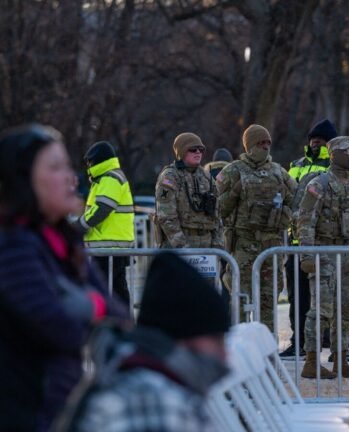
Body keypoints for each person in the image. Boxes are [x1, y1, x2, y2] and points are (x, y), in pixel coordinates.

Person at [0, 124, 128, 431]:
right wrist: (94, 308)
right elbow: (58, 327)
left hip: (60, 406)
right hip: (24, 408)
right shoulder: (13, 245)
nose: (70, 177)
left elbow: (118, 316)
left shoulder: (62, 241)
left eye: (68, 165)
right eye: (55, 167)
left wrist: (88, 304)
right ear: (24, 179)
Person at [57, 252, 231, 432]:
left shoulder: (155, 383)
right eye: (216, 340)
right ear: (181, 338)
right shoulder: (150, 400)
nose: (225, 354)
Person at [297, 136, 349, 379]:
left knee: (344, 310)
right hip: (325, 253)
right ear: (334, 154)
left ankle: (341, 359)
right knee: (321, 309)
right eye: (347, 150)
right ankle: (311, 361)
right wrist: (307, 254)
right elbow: (305, 219)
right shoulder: (319, 184)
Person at [217, 124, 297, 328]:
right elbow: (218, 209)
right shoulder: (232, 171)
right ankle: (239, 350)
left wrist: (284, 216)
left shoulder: (278, 172)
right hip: (242, 244)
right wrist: (234, 192)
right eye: (260, 143)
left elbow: (296, 201)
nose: (265, 147)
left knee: (268, 301)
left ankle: (266, 349)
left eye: (268, 143)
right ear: (249, 145)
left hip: (270, 245)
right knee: (240, 298)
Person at [282, 118, 338, 359]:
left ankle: (336, 342)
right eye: (314, 140)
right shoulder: (295, 165)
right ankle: (300, 341)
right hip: (298, 241)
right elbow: (288, 195)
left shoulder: (339, 164)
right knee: (298, 295)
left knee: (332, 295)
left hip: (326, 241)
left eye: (322, 140)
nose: (316, 144)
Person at [78, 141, 135, 305]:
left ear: (95, 161)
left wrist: (80, 225)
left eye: (89, 162)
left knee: (104, 291)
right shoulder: (108, 177)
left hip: (108, 248)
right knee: (117, 290)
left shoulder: (110, 178)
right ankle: (124, 325)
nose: (87, 166)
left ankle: (114, 325)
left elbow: (102, 209)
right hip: (112, 246)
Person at [153, 132, 223, 250]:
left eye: (201, 149)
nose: (198, 152)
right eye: (193, 149)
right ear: (182, 151)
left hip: (206, 246)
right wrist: (183, 247)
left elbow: (217, 215)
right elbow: (166, 216)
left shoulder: (206, 176)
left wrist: (218, 246)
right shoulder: (170, 176)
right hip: (179, 246)